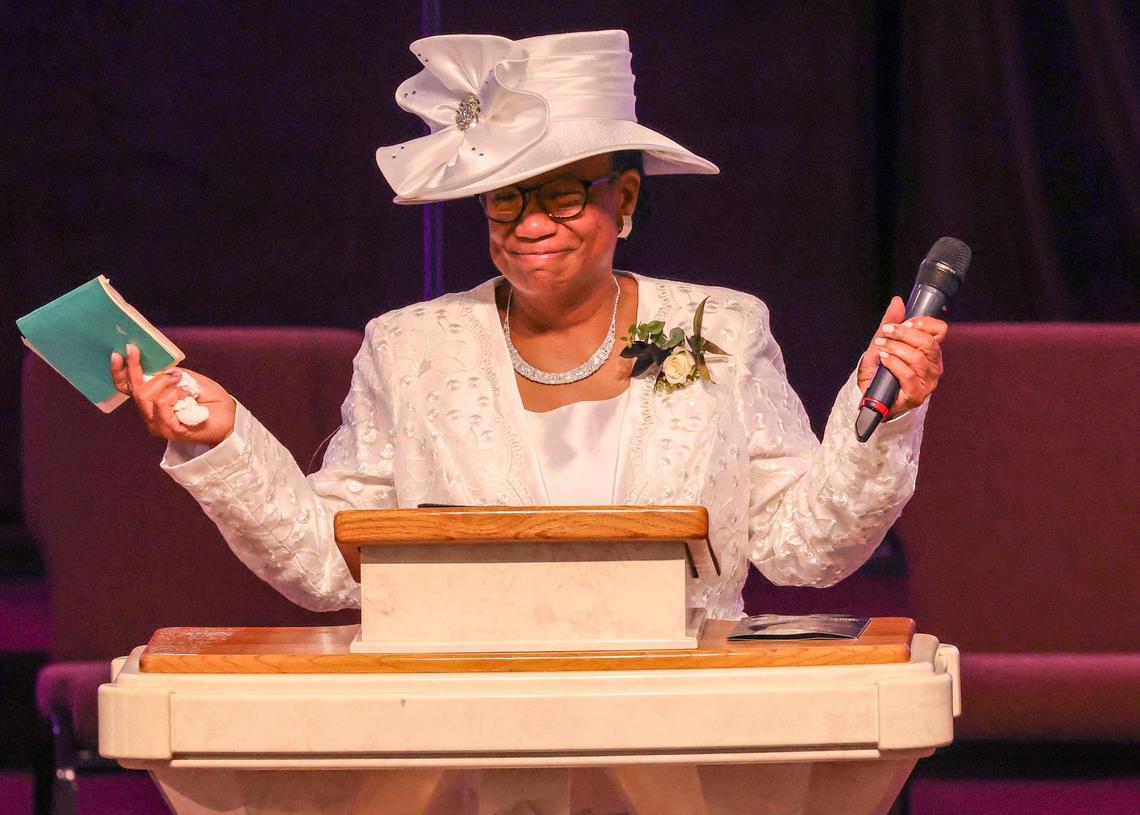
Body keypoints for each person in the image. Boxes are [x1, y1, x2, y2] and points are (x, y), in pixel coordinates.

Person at [110, 30, 946, 619]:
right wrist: (222, 441)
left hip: (678, 704)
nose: (527, 222)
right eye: (505, 196)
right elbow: (333, 561)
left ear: (623, 199)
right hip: (471, 708)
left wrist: (888, 414)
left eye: (557, 194)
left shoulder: (719, 326)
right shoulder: (408, 347)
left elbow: (807, 545)